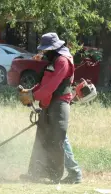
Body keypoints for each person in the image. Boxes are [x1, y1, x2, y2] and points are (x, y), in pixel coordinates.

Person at [18, 32, 82, 184]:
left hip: (59, 104)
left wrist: (33, 96)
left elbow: (51, 86)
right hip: (49, 103)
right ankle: (36, 173)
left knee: (59, 140)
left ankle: (74, 173)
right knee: (43, 139)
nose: (45, 52)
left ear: (55, 48)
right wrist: (31, 91)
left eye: (47, 50)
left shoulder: (62, 62)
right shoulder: (55, 60)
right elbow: (45, 82)